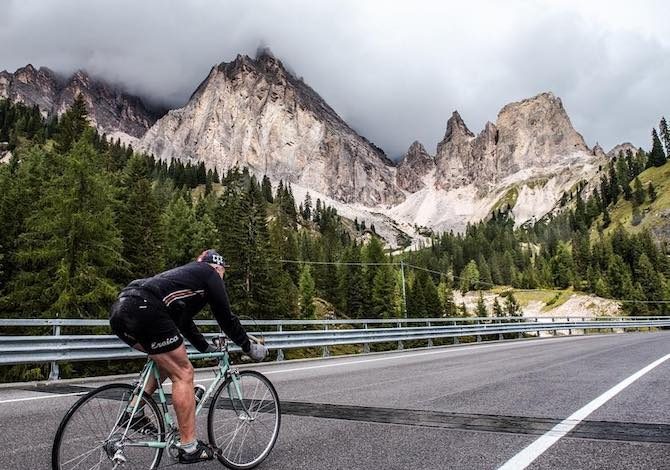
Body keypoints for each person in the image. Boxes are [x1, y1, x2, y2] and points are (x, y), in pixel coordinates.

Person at [109, 249, 267, 464]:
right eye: (223, 272)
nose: (223, 276)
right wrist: (248, 347)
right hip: (145, 308)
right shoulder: (210, 275)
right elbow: (226, 318)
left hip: (121, 309)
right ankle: (189, 447)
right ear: (218, 266)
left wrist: (204, 348)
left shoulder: (184, 279)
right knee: (183, 373)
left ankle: (133, 413)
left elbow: (183, 322)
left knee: (164, 362)